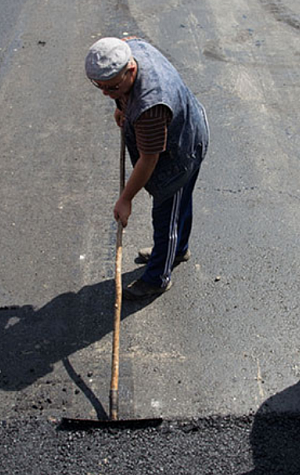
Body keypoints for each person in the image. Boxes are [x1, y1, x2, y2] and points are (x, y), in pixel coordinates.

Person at [84, 37, 209, 299]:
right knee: (179, 205)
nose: (106, 93)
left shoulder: (151, 108)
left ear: (130, 70)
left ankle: (158, 278)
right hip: (187, 127)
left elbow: (148, 160)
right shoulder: (131, 47)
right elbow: (121, 83)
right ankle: (178, 249)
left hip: (179, 154)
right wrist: (122, 105)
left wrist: (126, 199)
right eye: (101, 87)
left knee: (166, 216)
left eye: (112, 88)